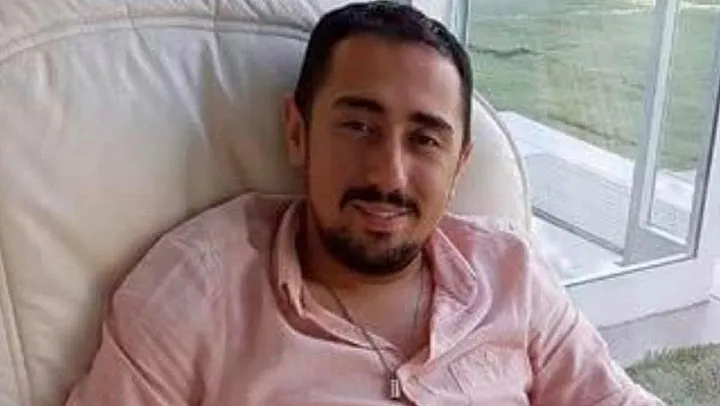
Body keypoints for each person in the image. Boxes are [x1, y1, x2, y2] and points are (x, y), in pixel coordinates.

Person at [65, 1, 665, 405]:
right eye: (358, 127)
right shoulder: (197, 292)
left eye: (425, 140)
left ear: (459, 165)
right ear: (297, 132)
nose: (388, 175)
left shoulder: (510, 273)